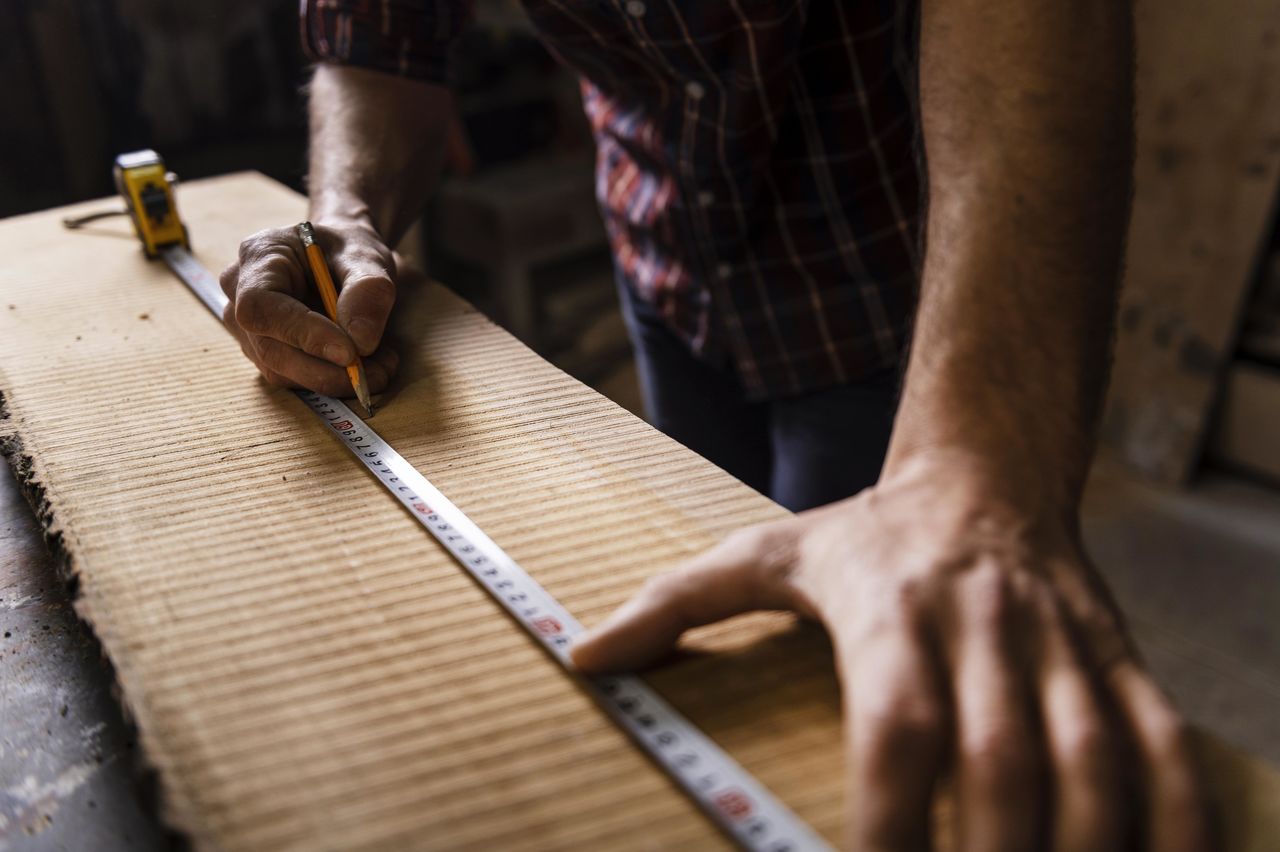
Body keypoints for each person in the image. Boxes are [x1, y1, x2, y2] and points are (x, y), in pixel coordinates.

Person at [220, 1, 1211, 848]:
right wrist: (342, 214)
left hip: (888, 289)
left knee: (879, 701)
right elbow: (381, 34)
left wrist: (974, 467)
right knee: (722, 631)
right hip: (666, 253)